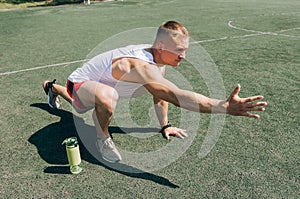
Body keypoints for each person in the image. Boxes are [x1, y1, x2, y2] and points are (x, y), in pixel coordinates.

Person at [43, 21, 267, 163]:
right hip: (82, 83)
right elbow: (176, 95)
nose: (183, 56)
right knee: (104, 98)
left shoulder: (158, 61)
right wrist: (224, 107)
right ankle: (103, 138)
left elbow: (160, 95)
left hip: (101, 87)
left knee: (102, 96)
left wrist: (165, 125)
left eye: (185, 50)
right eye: (179, 51)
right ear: (161, 46)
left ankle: (51, 88)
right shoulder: (138, 65)